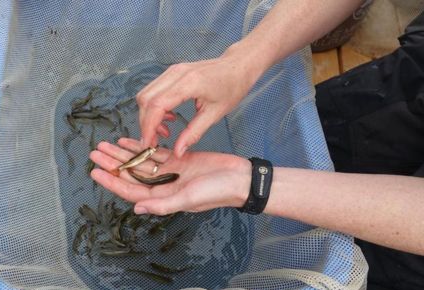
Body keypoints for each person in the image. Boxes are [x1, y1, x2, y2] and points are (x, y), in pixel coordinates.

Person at [89, 0, 424, 270]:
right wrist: (243, 61)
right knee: (317, 137)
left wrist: (255, 184)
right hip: (414, 81)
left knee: (364, 270)